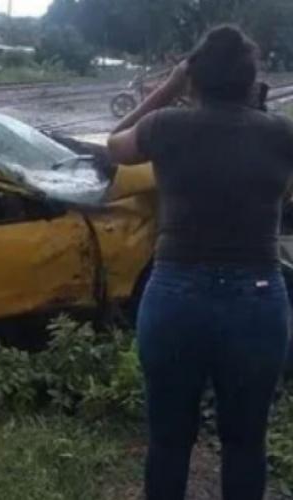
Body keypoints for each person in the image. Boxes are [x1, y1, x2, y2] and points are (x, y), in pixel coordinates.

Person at [108, 25, 293, 500]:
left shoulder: (166, 126)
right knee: (246, 442)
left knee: (168, 441)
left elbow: (114, 144)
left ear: (195, 80)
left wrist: (168, 90)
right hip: (257, 300)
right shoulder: (281, 134)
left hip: (175, 296)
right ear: (252, 82)